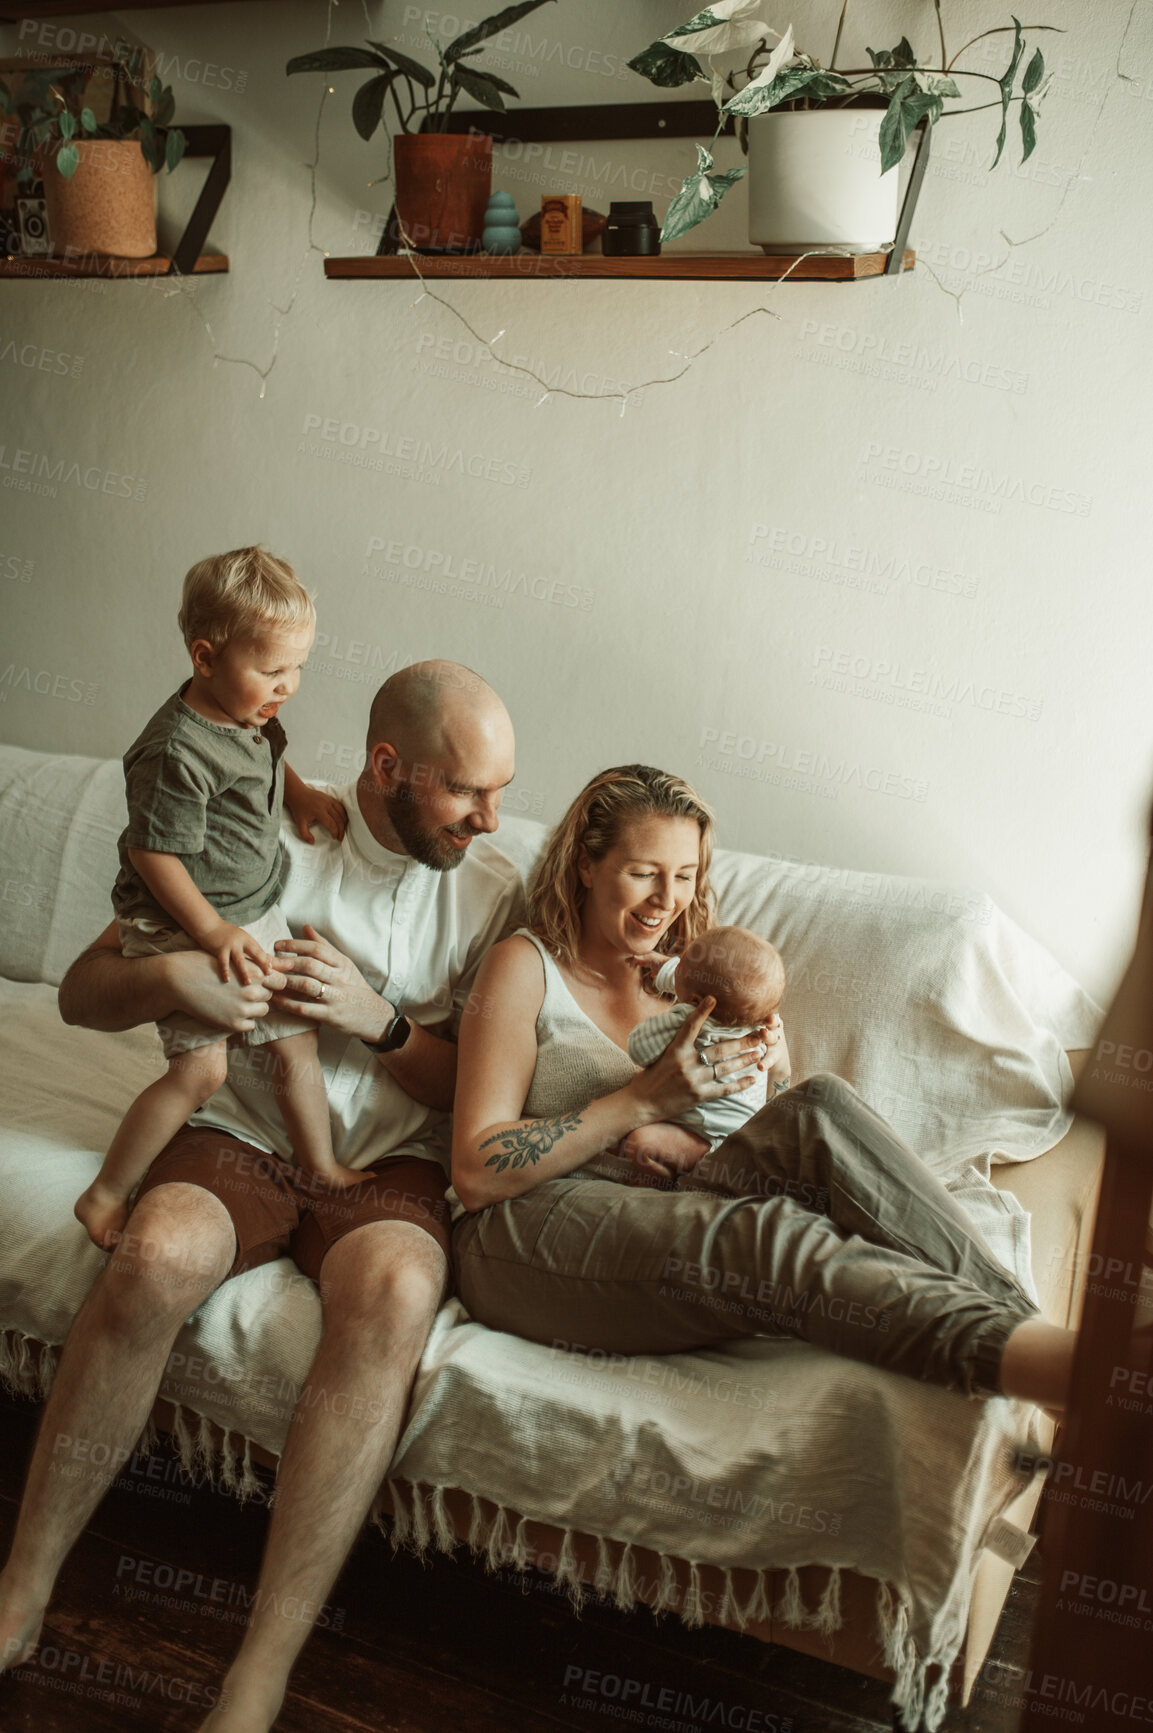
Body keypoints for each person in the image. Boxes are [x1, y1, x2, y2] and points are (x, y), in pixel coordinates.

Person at [0, 661, 523, 1733]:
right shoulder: (259, 843)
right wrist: (178, 978)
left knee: (393, 1296)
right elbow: (84, 991)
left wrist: (380, 1020)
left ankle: (261, 1669)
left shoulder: (487, 893)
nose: (490, 815)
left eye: (499, 789)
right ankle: (22, 1584)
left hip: (391, 1164)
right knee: (152, 1255)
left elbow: (477, 1090)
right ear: (387, 767)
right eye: (467, 789)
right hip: (243, 1130)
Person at [451, 763, 1077, 1413]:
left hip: (675, 1193)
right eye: (643, 872)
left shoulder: (694, 978)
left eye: (685, 875)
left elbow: (744, 1125)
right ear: (585, 864)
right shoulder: (525, 967)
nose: (667, 899)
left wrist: (770, 1068)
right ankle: (1054, 1370)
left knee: (820, 1105)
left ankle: (1043, 1351)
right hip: (524, 1230)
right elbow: (474, 1168)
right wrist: (639, 1100)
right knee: (767, 1236)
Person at [76, 546, 360, 1253]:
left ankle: (320, 1165)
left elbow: (268, 752)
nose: (287, 685)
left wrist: (298, 795)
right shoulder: (175, 750)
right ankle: (104, 1192)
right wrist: (208, 933)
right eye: (272, 669)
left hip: (245, 903)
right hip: (179, 920)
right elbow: (153, 854)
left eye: (297, 667)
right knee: (202, 1069)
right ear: (205, 658)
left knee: (296, 1035)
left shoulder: (250, 710)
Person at [625, 925, 790, 1179]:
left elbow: (638, 1048)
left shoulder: (689, 1019)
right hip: (743, 1132)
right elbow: (696, 987)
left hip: (710, 1143)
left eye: (680, 963)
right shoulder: (758, 1021)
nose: (676, 962)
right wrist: (667, 968)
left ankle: (679, 1183)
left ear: (694, 1004)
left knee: (639, 1144)